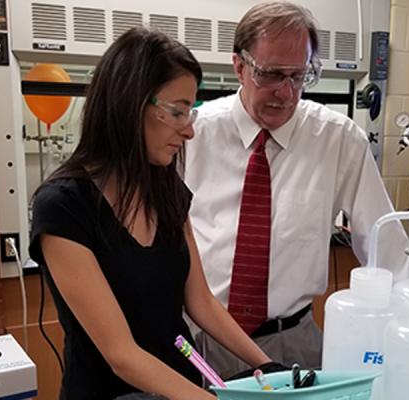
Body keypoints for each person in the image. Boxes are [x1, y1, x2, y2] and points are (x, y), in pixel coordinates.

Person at [28, 27, 276, 400]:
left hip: (183, 383)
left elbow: (201, 303)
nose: (189, 130)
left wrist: (266, 366)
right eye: (177, 112)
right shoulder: (64, 207)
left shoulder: (167, 190)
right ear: (129, 104)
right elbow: (121, 354)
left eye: (189, 112)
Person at [183, 1, 409, 378]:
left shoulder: (338, 140)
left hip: (292, 341)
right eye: (271, 75)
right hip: (204, 337)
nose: (286, 93)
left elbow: (387, 249)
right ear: (239, 67)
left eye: (298, 76)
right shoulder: (194, 133)